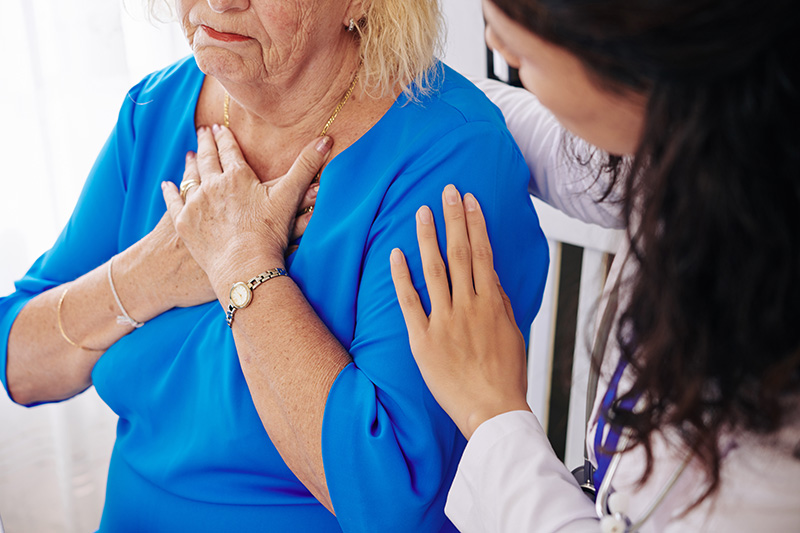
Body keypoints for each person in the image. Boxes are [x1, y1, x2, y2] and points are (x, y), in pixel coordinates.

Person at [0, 0, 549, 531]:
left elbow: (393, 503)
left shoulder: (448, 155)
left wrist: (239, 261)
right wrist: (148, 275)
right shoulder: (155, 108)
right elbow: (21, 361)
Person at [390, 0, 800, 531]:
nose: (496, 47)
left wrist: (490, 413)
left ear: (636, 61)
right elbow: (574, 155)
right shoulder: (717, 135)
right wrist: (410, 90)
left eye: (523, 56)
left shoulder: (775, 439)